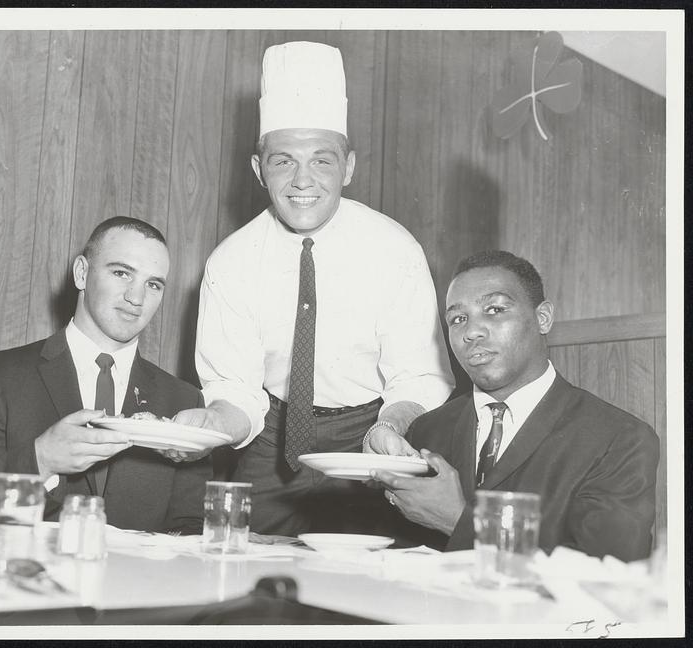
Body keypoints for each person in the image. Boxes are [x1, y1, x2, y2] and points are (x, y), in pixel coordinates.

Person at [173, 41, 454, 536]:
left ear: (348, 168)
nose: (303, 180)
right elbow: (235, 390)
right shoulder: (230, 262)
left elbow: (418, 377)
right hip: (269, 439)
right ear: (259, 169)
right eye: (283, 161)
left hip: (371, 434)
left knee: (373, 587)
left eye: (322, 161)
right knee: (239, 567)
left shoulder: (396, 250)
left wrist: (393, 427)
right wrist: (211, 423)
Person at [369, 250, 659, 562]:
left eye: (494, 309)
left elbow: (606, 577)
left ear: (543, 318)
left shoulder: (620, 439)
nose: (472, 331)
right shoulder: (427, 430)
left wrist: (460, 521)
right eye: (458, 319)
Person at [0, 217, 210, 533]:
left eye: (153, 284)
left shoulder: (184, 400)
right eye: (122, 273)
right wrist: (41, 459)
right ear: (82, 273)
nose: (137, 298)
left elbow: (192, 528)